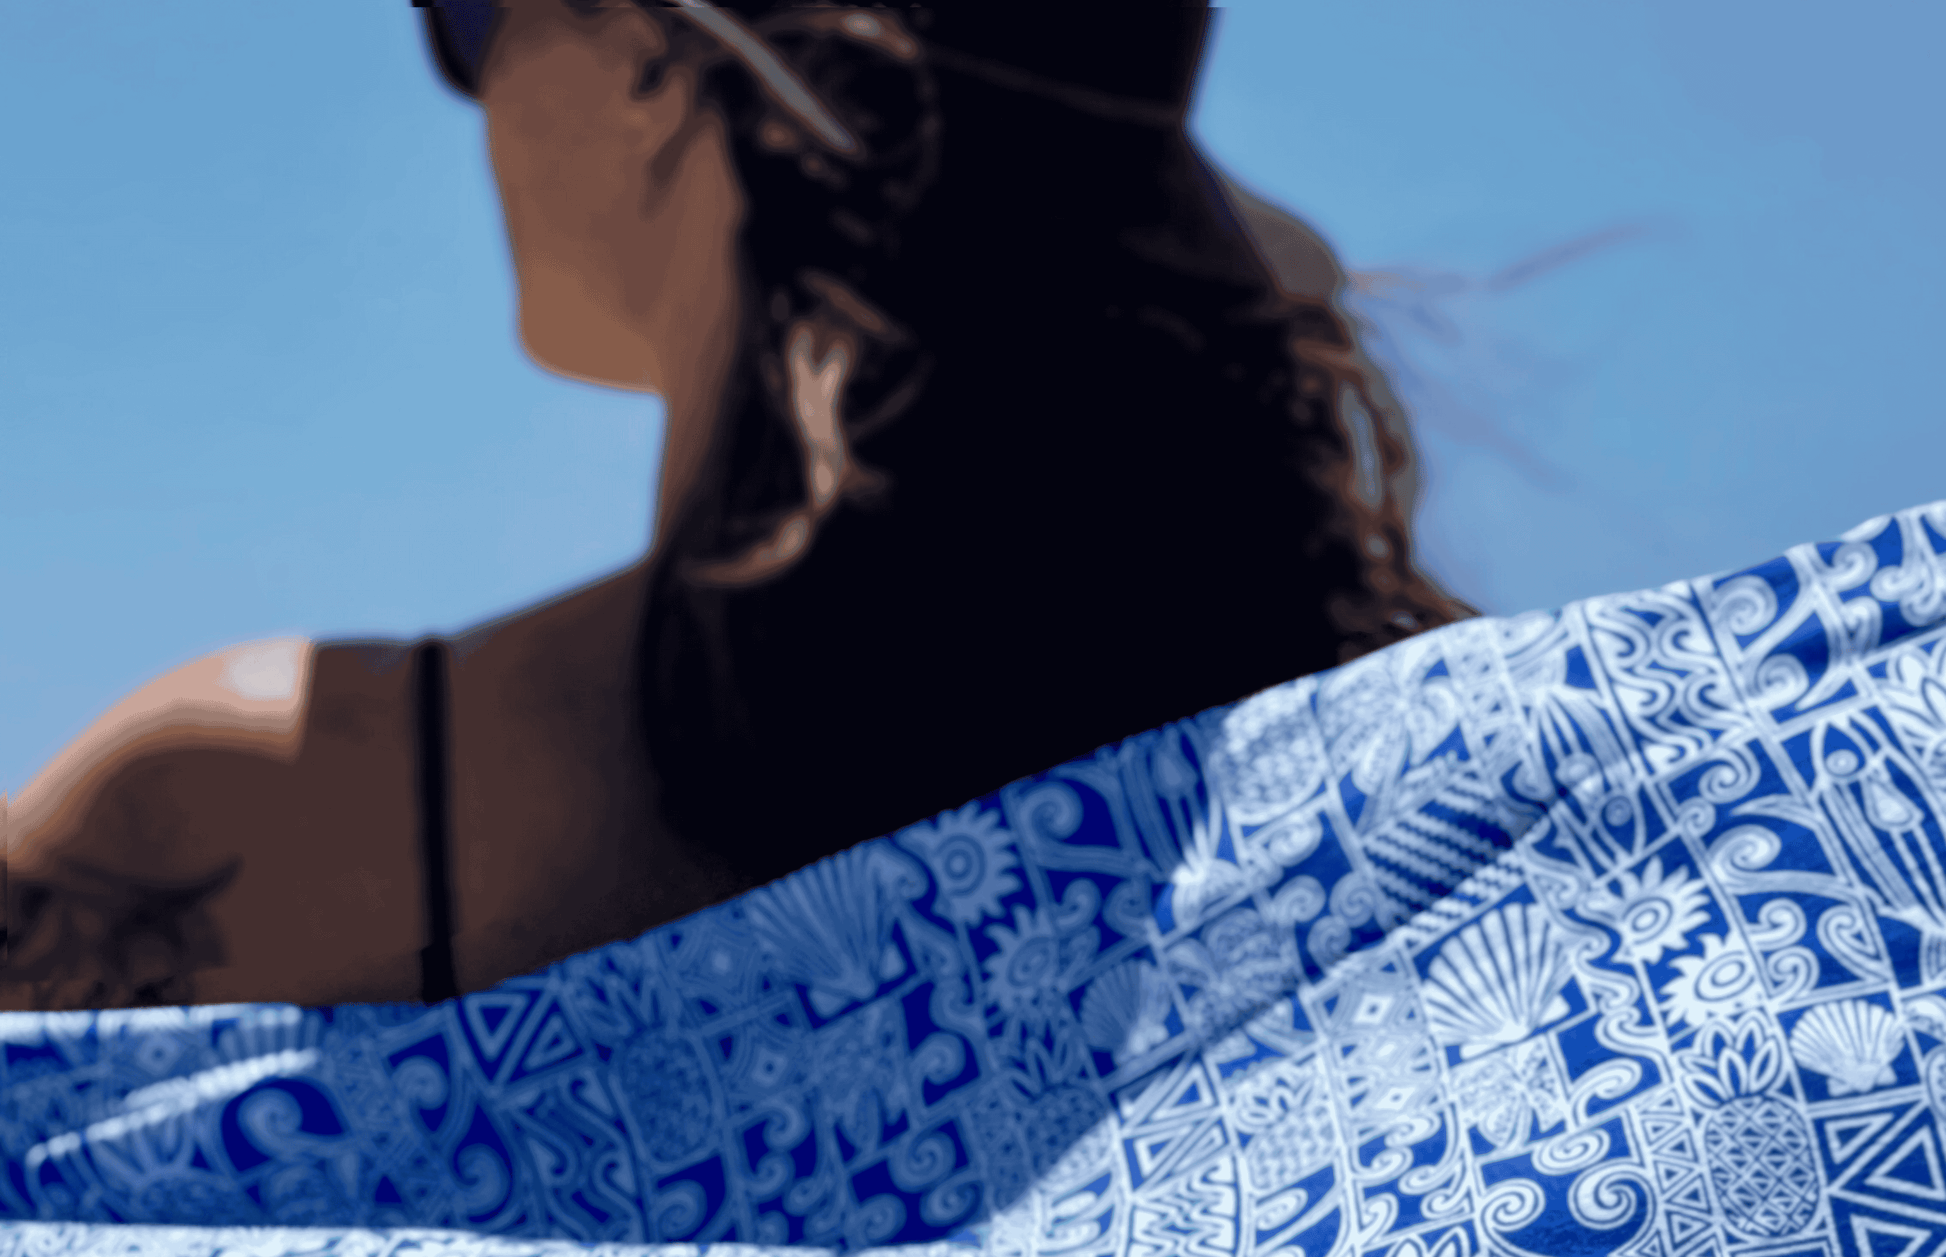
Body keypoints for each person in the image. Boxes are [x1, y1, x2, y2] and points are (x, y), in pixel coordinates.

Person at [4, 0, 1464, 1013]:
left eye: (466, 19)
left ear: (649, 62)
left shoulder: (240, 825)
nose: (472, 85)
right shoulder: (1392, 805)